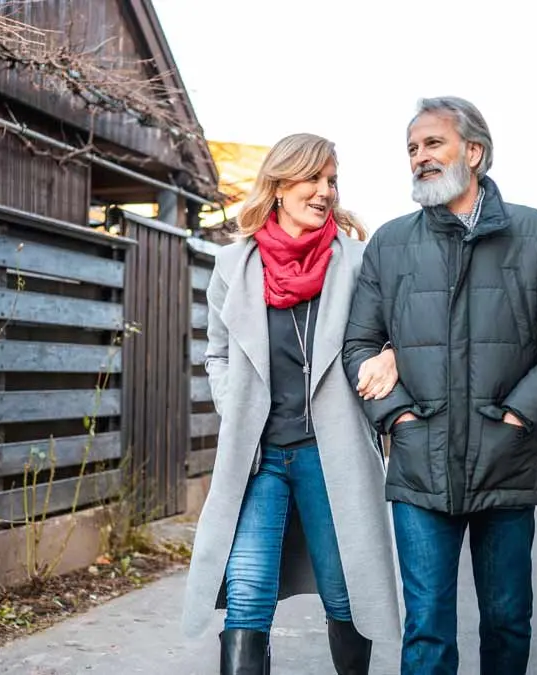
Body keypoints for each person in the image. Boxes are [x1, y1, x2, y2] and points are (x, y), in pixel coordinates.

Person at [343, 96, 537, 675]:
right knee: (427, 628)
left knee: (508, 620)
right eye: (411, 149)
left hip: (505, 465)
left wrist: (517, 418)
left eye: (433, 144)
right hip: (418, 467)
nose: (419, 158)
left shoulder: (536, 234)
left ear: (475, 152)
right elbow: (357, 346)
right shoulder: (390, 243)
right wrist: (398, 419)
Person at [181, 133, 402, 675]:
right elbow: (216, 353)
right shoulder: (235, 264)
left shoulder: (356, 262)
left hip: (333, 456)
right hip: (258, 459)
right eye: (313, 178)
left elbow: (393, 333)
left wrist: (392, 357)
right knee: (248, 596)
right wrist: (236, 408)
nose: (325, 191)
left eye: (332, 181)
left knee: (345, 592)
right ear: (279, 186)